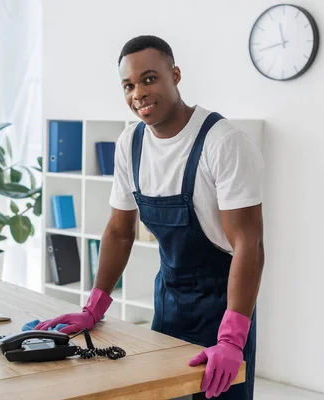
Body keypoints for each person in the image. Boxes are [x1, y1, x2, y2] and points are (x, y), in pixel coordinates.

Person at [35, 35, 265, 400]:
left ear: (175, 75)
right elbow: (119, 231)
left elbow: (248, 244)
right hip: (169, 299)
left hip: (225, 304)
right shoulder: (131, 143)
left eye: (149, 78)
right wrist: (93, 308)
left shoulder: (223, 142)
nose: (138, 93)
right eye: (128, 85)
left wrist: (232, 337)